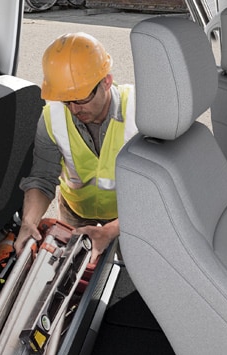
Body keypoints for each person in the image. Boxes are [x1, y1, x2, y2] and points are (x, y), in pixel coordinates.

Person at [15, 32, 136, 263]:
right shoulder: (52, 117)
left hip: (127, 214)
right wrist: (28, 223)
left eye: (80, 99)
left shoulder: (140, 113)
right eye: (65, 100)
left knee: (129, 271)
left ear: (106, 81)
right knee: (73, 270)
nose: (73, 109)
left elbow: (156, 196)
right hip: (75, 211)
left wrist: (111, 230)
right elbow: (42, 178)